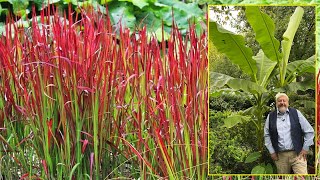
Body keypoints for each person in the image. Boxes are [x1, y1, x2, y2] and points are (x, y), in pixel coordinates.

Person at [264, 92, 314, 174]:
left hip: (297, 155)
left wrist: (305, 148)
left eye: (284, 101)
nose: (282, 103)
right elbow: (267, 135)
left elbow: (309, 131)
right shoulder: (271, 116)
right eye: (280, 101)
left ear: (288, 103)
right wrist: (272, 152)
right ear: (276, 103)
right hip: (280, 157)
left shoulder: (296, 113)